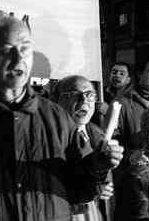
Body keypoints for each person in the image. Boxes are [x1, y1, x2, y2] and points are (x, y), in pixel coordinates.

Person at [0, 14, 124, 220]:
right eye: (6, 50)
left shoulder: (57, 118)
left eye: (25, 48)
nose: (18, 58)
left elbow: (80, 191)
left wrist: (96, 167)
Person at [53, 75, 115, 221]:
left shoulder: (101, 135)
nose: (84, 100)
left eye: (89, 95)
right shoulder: (50, 138)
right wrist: (94, 188)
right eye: (73, 95)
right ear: (56, 100)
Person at [105, 56, 149, 152]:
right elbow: (111, 142)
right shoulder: (120, 104)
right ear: (139, 74)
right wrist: (129, 156)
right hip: (133, 164)